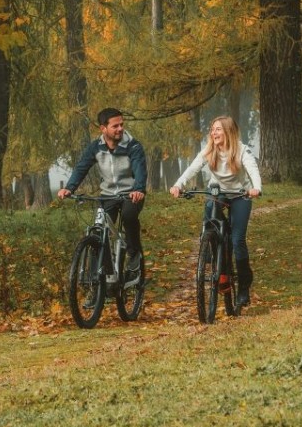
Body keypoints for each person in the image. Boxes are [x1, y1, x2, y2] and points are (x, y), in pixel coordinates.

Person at [170, 115, 262, 307]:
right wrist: (178, 185)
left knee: (237, 240)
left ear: (228, 131)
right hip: (218, 192)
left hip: (240, 194)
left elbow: (253, 170)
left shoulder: (242, 150)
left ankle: (244, 286)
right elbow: (193, 168)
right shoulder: (209, 150)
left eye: (218, 129)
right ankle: (210, 247)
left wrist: (256, 188)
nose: (214, 133)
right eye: (212, 129)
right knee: (210, 214)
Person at [58, 107, 148, 286]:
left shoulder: (133, 146)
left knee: (129, 216)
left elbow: (140, 170)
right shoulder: (96, 147)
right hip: (107, 195)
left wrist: (138, 189)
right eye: (115, 126)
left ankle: (133, 256)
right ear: (103, 129)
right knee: (99, 231)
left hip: (131, 194)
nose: (120, 129)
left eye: (122, 125)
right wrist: (69, 188)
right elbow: (82, 167)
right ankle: (98, 281)